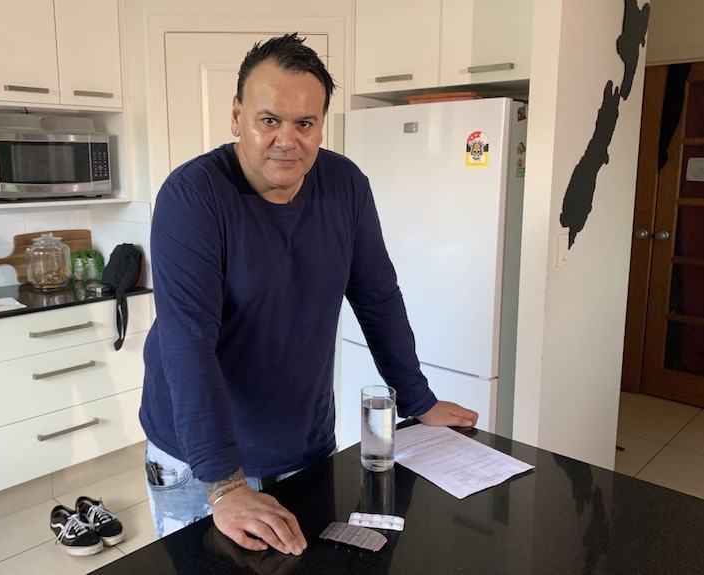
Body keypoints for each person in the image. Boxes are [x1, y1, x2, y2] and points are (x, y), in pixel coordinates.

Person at [140, 32, 479, 557]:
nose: (287, 139)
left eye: (305, 123)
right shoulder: (192, 198)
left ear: (322, 123)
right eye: (268, 119)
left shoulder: (345, 185)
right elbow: (187, 344)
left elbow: (378, 299)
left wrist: (419, 400)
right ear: (236, 116)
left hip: (304, 445)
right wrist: (227, 487)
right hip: (200, 463)